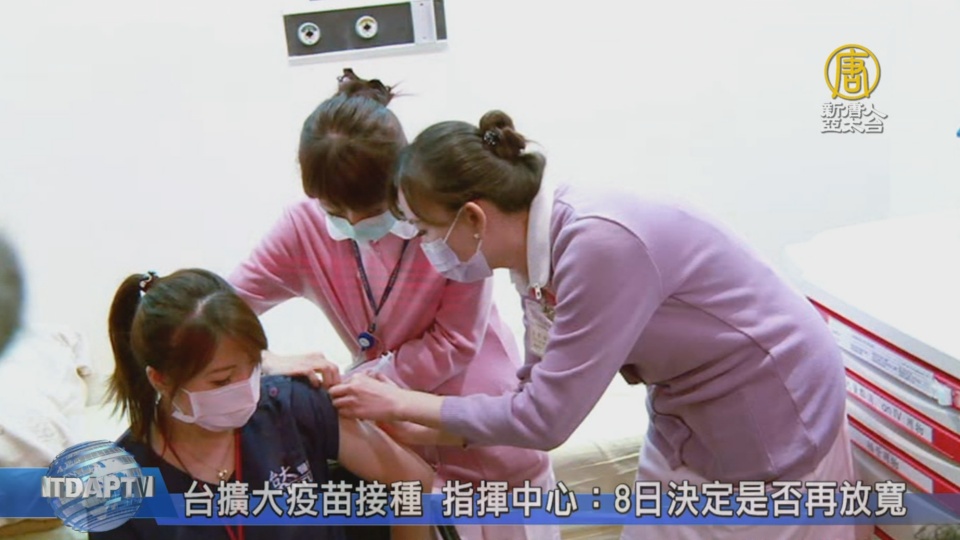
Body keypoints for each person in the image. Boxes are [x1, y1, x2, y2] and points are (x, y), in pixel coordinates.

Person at [329, 110, 869, 540]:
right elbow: (532, 390)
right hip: (685, 417)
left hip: (772, 410)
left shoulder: (598, 244)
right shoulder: (531, 259)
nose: (426, 248)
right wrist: (423, 428)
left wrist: (400, 403)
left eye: (426, 230)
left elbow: (545, 420)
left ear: (473, 217)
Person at [230, 70, 559, 540]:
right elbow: (221, 311)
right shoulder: (302, 228)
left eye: (371, 209)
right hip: (398, 444)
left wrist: (361, 383)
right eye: (336, 212)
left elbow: (455, 341)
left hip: (480, 427)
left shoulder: (449, 218)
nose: (354, 222)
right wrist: (267, 361)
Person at [90, 268, 434, 540]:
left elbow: (412, 481)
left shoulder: (293, 406)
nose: (245, 390)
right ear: (160, 379)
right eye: (222, 381)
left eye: (254, 366)